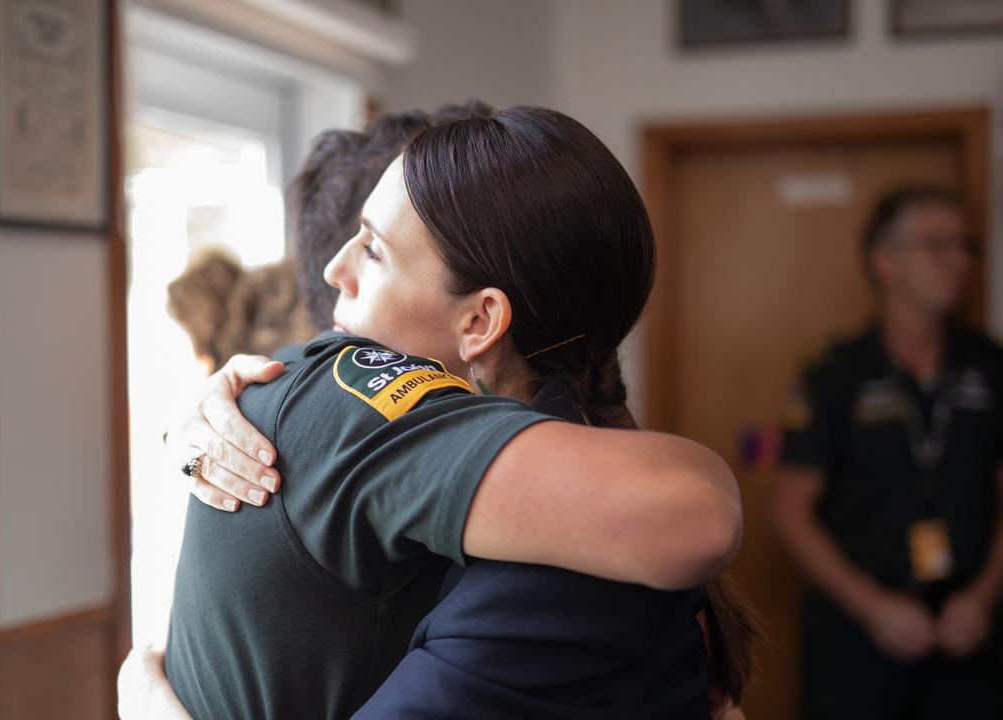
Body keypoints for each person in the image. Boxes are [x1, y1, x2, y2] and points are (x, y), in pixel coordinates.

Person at [127, 106, 749, 720]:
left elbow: (694, 509)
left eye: (373, 250)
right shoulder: (324, 404)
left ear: (479, 321)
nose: (332, 269)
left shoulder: (565, 562)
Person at [769, 187, 1003, 719]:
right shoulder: (835, 374)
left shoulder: (989, 366)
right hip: (860, 632)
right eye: (937, 245)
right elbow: (788, 511)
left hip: (968, 629)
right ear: (885, 260)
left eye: (965, 246)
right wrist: (874, 609)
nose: (958, 261)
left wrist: (983, 599)